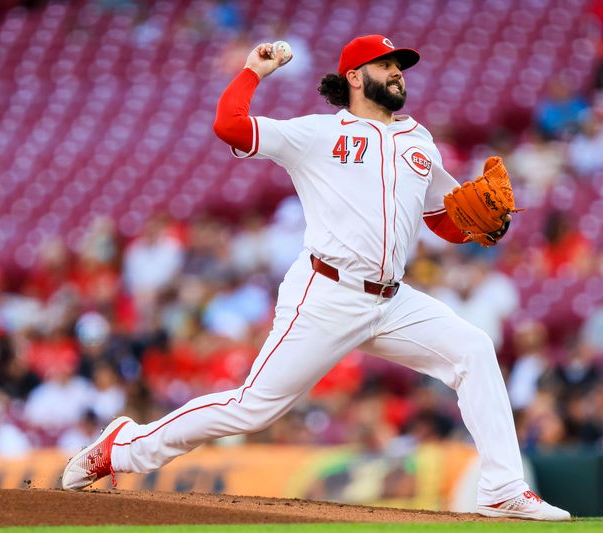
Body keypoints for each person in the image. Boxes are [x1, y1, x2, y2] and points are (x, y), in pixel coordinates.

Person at [61, 34, 570, 521]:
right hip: (326, 293)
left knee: (474, 350)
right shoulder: (318, 133)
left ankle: (502, 490)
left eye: (400, 66)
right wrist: (252, 71)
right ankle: (123, 447)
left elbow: (444, 218)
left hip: (391, 302)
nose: (397, 72)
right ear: (354, 75)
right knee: (251, 409)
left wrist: (485, 225)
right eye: (386, 65)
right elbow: (230, 126)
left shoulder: (420, 141)